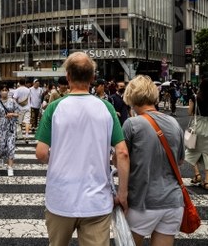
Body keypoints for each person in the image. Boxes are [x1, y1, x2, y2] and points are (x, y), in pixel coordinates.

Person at [35, 52, 129, 246]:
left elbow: (41, 153)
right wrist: (122, 193)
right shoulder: (107, 108)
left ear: (68, 77)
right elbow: (122, 153)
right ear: (93, 78)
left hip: (60, 198)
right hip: (97, 201)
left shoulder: (54, 108)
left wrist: (59, 158)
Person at [122, 75, 184, 246]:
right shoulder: (173, 123)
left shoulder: (131, 124)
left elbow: (122, 159)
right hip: (173, 202)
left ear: (131, 96)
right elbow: (179, 161)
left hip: (143, 201)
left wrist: (122, 193)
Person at [0, 83, 19, 176]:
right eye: (2, 90)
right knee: (2, 146)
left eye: (6, 90)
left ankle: (10, 167)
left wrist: (12, 114)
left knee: (11, 146)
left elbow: (18, 113)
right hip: (1, 127)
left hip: (11, 127)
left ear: (8, 91)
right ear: (0, 92)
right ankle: (1, 156)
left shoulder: (13, 102)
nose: (4, 92)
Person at [184, 78, 208, 189]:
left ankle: (197, 175)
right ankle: (207, 181)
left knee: (191, 150)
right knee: (207, 153)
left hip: (197, 125)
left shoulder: (195, 97)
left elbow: (189, 112)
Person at [13, 78, 31, 142]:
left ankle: (20, 135)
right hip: (27, 107)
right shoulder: (28, 90)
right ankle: (26, 135)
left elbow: (14, 99)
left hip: (19, 108)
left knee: (19, 122)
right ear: (25, 83)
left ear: (19, 83)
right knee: (27, 121)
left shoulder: (17, 90)